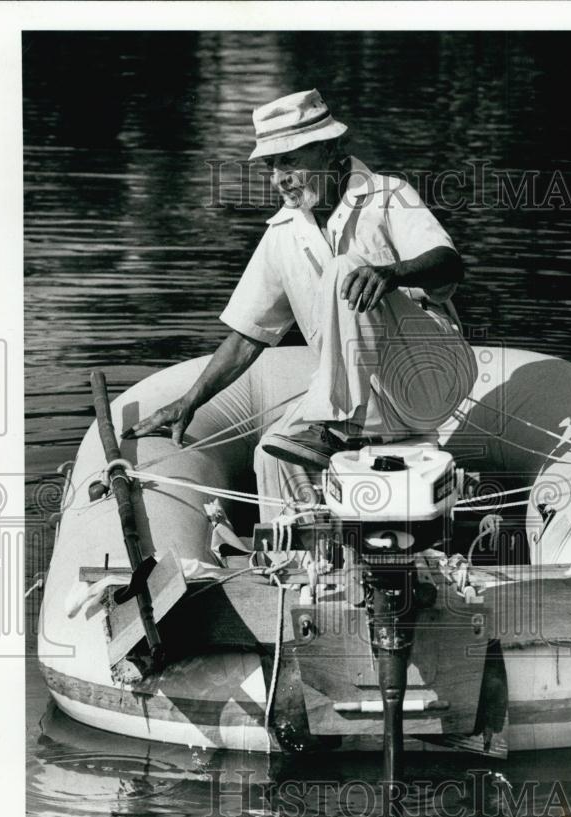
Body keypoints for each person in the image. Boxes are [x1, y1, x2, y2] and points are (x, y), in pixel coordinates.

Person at [125, 89, 477, 520]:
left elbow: (449, 265)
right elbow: (246, 336)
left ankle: (334, 423)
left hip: (427, 377)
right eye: (271, 166)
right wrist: (188, 401)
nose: (278, 178)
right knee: (273, 454)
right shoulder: (283, 233)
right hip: (367, 406)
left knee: (346, 267)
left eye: (289, 160)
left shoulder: (389, 195)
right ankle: (297, 559)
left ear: (331, 150)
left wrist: (392, 274)